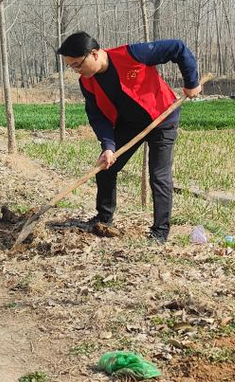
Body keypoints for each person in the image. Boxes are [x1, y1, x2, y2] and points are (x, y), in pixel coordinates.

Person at [56, 31, 201, 243]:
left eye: (77, 64)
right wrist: (108, 145)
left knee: (159, 175)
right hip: (129, 125)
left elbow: (177, 48)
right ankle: (103, 219)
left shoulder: (132, 55)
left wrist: (192, 82)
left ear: (94, 54)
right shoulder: (87, 82)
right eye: (71, 66)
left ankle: (160, 231)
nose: (76, 70)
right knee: (106, 167)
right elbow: (97, 116)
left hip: (162, 117)